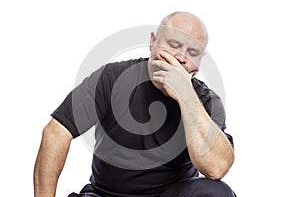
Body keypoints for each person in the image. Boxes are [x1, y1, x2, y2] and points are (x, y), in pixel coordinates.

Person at [34, 11, 236, 197]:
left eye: (192, 52)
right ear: (153, 42)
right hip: (106, 194)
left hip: (171, 194)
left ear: (201, 59)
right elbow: (56, 133)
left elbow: (216, 168)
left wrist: (186, 95)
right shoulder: (111, 78)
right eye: (173, 45)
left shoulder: (206, 101)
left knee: (215, 192)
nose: (181, 58)